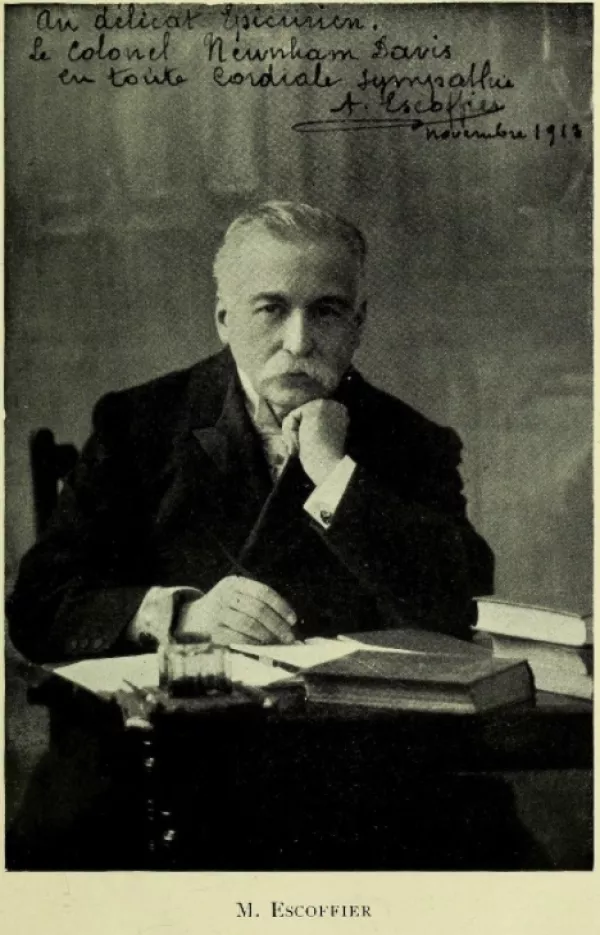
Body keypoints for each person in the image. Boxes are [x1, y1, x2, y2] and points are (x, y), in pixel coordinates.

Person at [8, 201, 494, 663]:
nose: (298, 342)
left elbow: (465, 606)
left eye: (326, 311)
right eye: (271, 309)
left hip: (347, 717)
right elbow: (37, 606)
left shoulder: (413, 440)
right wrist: (185, 616)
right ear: (225, 319)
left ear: (358, 322)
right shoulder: (139, 424)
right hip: (192, 713)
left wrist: (334, 475)